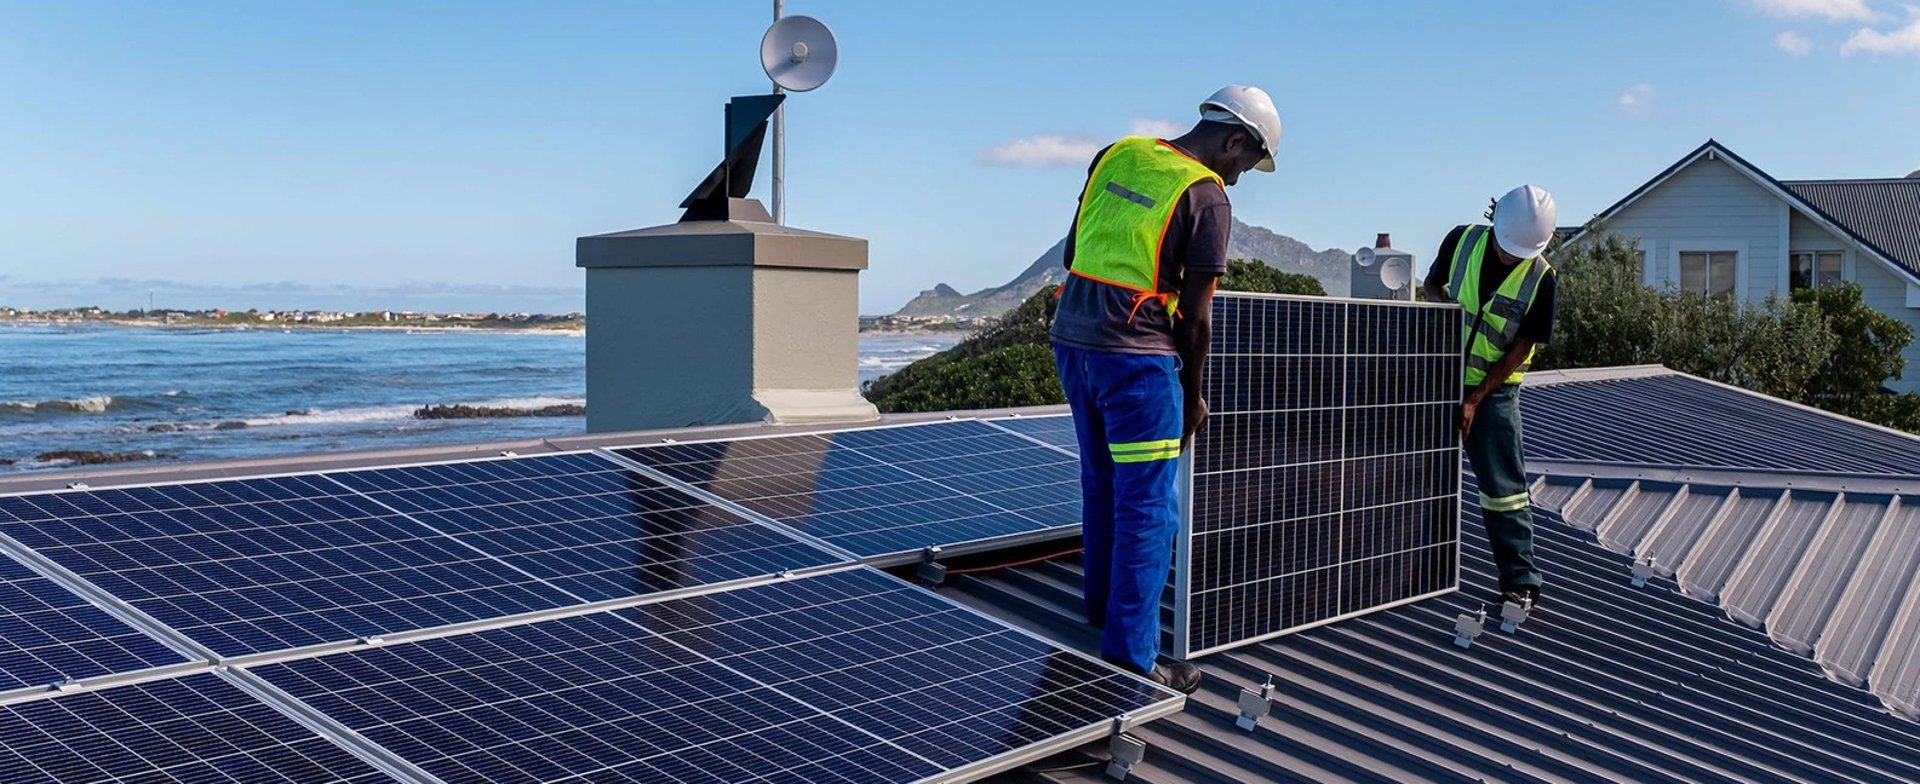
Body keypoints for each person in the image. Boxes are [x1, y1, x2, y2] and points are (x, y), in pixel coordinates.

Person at [1050, 85, 1281, 694]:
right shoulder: (1206, 196)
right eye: (1247, 164)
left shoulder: (1117, 154)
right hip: (1136, 363)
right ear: (1235, 141)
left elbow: (1076, 250)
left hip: (1073, 340)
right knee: (1150, 506)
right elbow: (1197, 319)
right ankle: (1132, 659)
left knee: (1102, 482)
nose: (1241, 178)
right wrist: (1194, 395)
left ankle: (1100, 610)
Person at [1420, 185, 1559, 609]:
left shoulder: (1542, 279)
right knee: (1419, 477)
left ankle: (1520, 579)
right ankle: (1412, 565)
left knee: (1504, 490)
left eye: (1520, 251)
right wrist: (1445, 322)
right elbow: (1431, 286)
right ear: (1494, 223)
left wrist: (1476, 398)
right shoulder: (1461, 240)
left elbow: (1521, 347)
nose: (1509, 256)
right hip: (1439, 378)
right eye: (1505, 246)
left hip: (1495, 391)